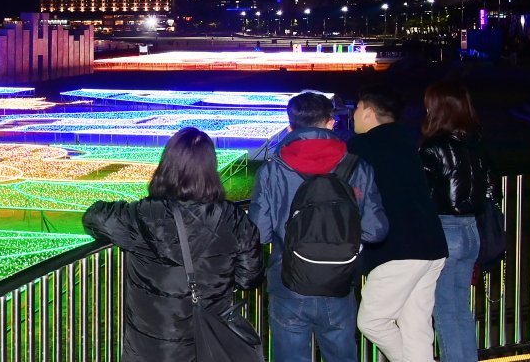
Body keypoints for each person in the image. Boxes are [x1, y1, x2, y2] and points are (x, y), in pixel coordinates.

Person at [83, 127, 263, 362]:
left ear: (167, 166)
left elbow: (93, 217)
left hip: (152, 346)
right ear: (210, 169)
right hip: (211, 338)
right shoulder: (233, 217)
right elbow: (249, 277)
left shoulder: (144, 215)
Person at [248, 90, 388, 362]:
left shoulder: (273, 169)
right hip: (339, 281)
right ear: (330, 122)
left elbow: (261, 232)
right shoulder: (356, 167)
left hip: (287, 282)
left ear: (290, 127)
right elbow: (376, 230)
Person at [348, 85, 447, 362]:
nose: (353, 115)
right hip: (432, 244)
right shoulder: (408, 139)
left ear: (368, 112)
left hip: (398, 249)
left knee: (372, 321)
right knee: (417, 327)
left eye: (357, 109)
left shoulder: (361, 146)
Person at [419, 80, 496, 362]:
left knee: (445, 311)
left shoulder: (432, 147)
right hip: (471, 229)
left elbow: (424, 196)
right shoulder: (475, 142)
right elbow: (490, 187)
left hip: (445, 229)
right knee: (460, 308)